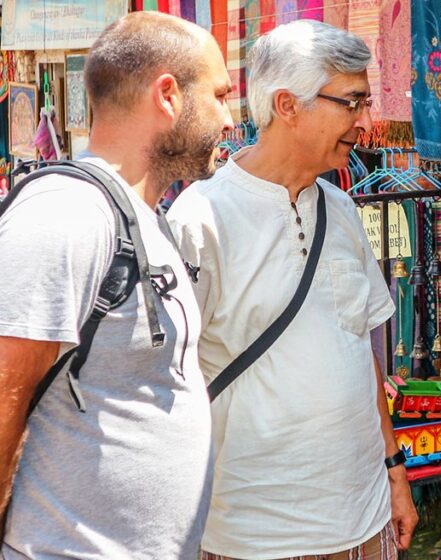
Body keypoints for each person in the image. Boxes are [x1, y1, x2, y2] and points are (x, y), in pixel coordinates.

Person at [166, 20, 417, 560]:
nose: (367, 122)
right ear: (288, 105)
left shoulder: (344, 209)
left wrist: (395, 470)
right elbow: (167, 380)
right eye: (352, 103)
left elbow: (360, 346)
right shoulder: (202, 219)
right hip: (255, 534)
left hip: (364, 520)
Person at [0, 12, 233, 559]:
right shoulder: (66, 212)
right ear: (168, 95)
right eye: (220, 95)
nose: (229, 118)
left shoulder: (145, 214)